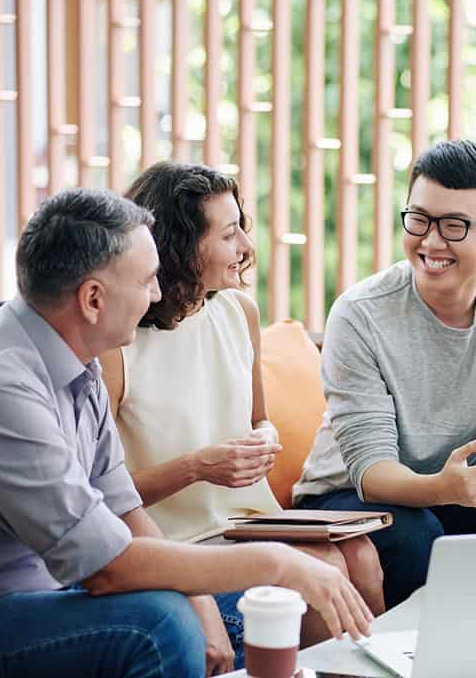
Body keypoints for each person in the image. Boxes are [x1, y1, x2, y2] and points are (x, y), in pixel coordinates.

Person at [0, 188, 372, 678]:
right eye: (146, 281)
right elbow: (106, 565)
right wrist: (277, 562)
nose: (157, 294)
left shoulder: (75, 357)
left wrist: (201, 599)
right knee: (159, 624)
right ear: (93, 298)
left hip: (52, 591)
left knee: (220, 607)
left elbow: (123, 507)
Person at [100, 162, 384, 667]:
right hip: (174, 540)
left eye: (242, 229)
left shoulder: (237, 311)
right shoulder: (119, 344)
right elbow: (102, 496)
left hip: (247, 523)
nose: (247, 248)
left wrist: (264, 438)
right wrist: (199, 467)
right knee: (325, 574)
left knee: (359, 556)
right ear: (181, 246)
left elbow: (259, 417)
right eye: (229, 234)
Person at [293, 140, 476, 608]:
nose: (430, 242)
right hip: (348, 498)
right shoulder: (359, 314)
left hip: (462, 493)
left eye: (454, 226)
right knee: (416, 533)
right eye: (419, 219)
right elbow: (371, 471)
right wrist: (442, 489)